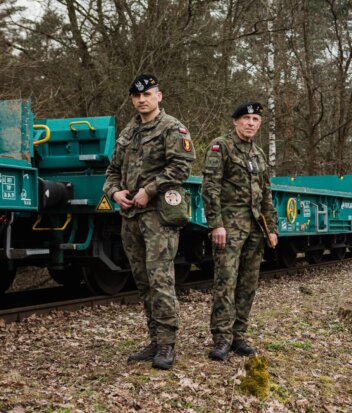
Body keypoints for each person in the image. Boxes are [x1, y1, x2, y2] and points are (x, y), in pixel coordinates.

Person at [103, 74, 196, 370]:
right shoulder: (127, 133)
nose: (142, 100)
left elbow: (181, 167)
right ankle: (155, 340)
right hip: (131, 217)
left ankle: (167, 344)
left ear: (160, 96)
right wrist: (115, 192)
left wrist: (149, 190)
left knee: (160, 280)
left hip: (159, 216)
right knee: (143, 282)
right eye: (136, 96)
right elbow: (112, 171)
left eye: (148, 94)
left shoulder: (172, 128)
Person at [201, 101, 278, 361]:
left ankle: (238, 336)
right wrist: (216, 224)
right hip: (229, 227)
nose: (250, 123)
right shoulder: (220, 146)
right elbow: (210, 187)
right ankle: (221, 339)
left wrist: (272, 228)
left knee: (248, 284)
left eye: (255, 120)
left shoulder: (258, 154)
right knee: (225, 282)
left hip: (255, 229)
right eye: (246, 118)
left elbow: (266, 193)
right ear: (235, 121)